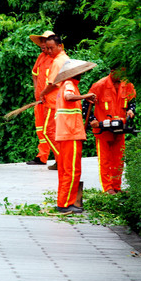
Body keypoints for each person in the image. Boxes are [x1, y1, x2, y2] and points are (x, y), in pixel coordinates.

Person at [53, 59, 97, 213]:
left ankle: (63, 201)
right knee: (72, 170)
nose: (82, 75)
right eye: (81, 73)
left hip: (66, 134)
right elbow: (68, 97)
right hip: (70, 134)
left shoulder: (66, 85)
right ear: (76, 74)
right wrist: (85, 96)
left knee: (66, 170)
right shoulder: (69, 85)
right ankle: (66, 204)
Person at [84, 67, 136, 195]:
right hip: (103, 131)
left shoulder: (127, 85)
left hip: (120, 129)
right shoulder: (99, 86)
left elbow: (132, 102)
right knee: (105, 160)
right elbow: (86, 106)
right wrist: (92, 120)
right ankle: (108, 188)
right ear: (112, 71)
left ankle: (117, 187)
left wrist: (131, 111)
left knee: (119, 159)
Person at [38, 34, 70, 170]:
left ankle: (62, 160)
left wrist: (42, 93)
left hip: (53, 102)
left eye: (51, 48)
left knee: (47, 131)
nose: (49, 51)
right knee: (58, 133)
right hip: (61, 102)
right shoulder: (66, 58)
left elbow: (52, 83)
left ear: (60, 46)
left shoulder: (57, 61)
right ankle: (60, 160)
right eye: (47, 48)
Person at [26, 30, 55, 165]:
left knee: (51, 129)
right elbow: (34, 74)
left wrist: (45, 93)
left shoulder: (57, 58)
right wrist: (37, 93)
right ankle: (42, 156)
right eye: (42, 42)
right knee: (40, 128)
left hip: (51, 101)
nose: (43, 44)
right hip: (40, 100)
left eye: (46, 41)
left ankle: (58, 157)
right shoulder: (41, 57)